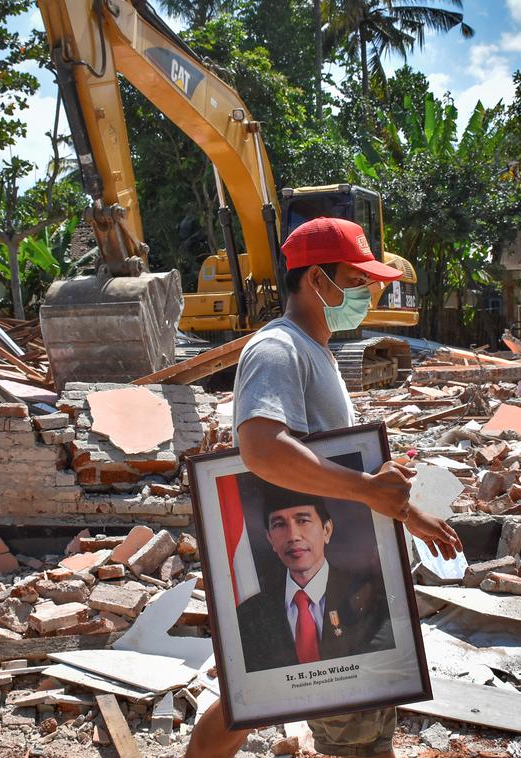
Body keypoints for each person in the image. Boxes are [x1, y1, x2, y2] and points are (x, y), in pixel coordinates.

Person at [186, 216, 462, 758]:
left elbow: (332, 470)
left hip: (334, 566)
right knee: (351, 731)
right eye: (357, 280)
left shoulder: (317, 351)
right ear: (317, 281)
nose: (369, 291)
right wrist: (366, 487)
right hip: (318, 572)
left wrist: (407, 513)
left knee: (254, 696)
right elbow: (262, 449)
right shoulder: (277, 350)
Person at [236, 479, 393, 673]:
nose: (293, 536)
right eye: (279, 524)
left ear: (326, 530)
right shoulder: (249, 615)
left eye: (303, 520)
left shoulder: (369, 598)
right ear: (270, 539)